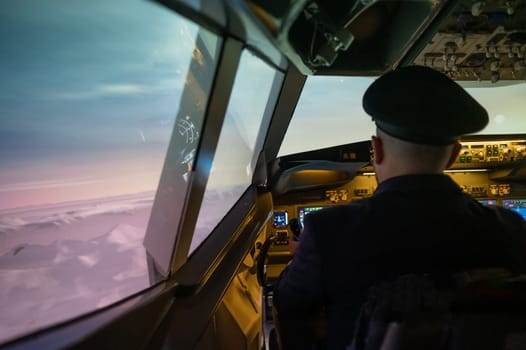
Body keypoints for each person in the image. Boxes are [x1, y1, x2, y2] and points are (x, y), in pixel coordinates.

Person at [272, 65, 526, 349]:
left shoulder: (329, 230)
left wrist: (301, 258)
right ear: (454, 155)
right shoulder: (512, 229)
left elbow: (287, 305)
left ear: (376, 149)